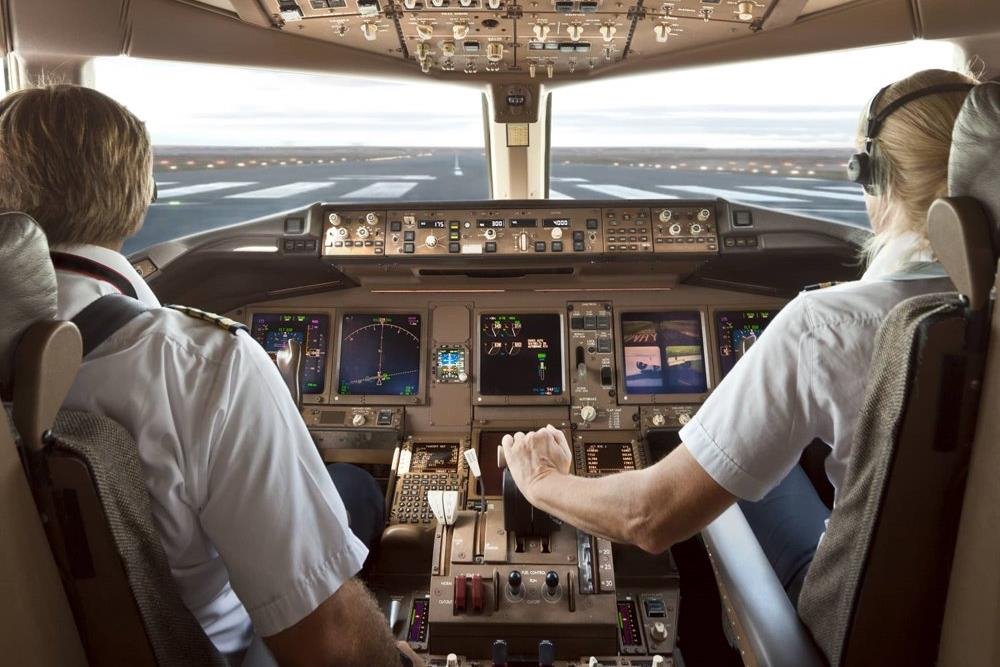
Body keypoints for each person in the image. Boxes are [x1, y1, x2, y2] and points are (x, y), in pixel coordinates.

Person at [501, 68, 978, 605]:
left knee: (732, 474)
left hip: (863, 621)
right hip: (965, 612)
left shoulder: (826, 328)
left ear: (876, 179)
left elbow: (650, 517)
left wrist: (540, 482)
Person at [0, 84, 420, 666]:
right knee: (351, 489)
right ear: (139, 198)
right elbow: (330, 644)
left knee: (348, 485)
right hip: (215, 651)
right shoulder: (204, 365)